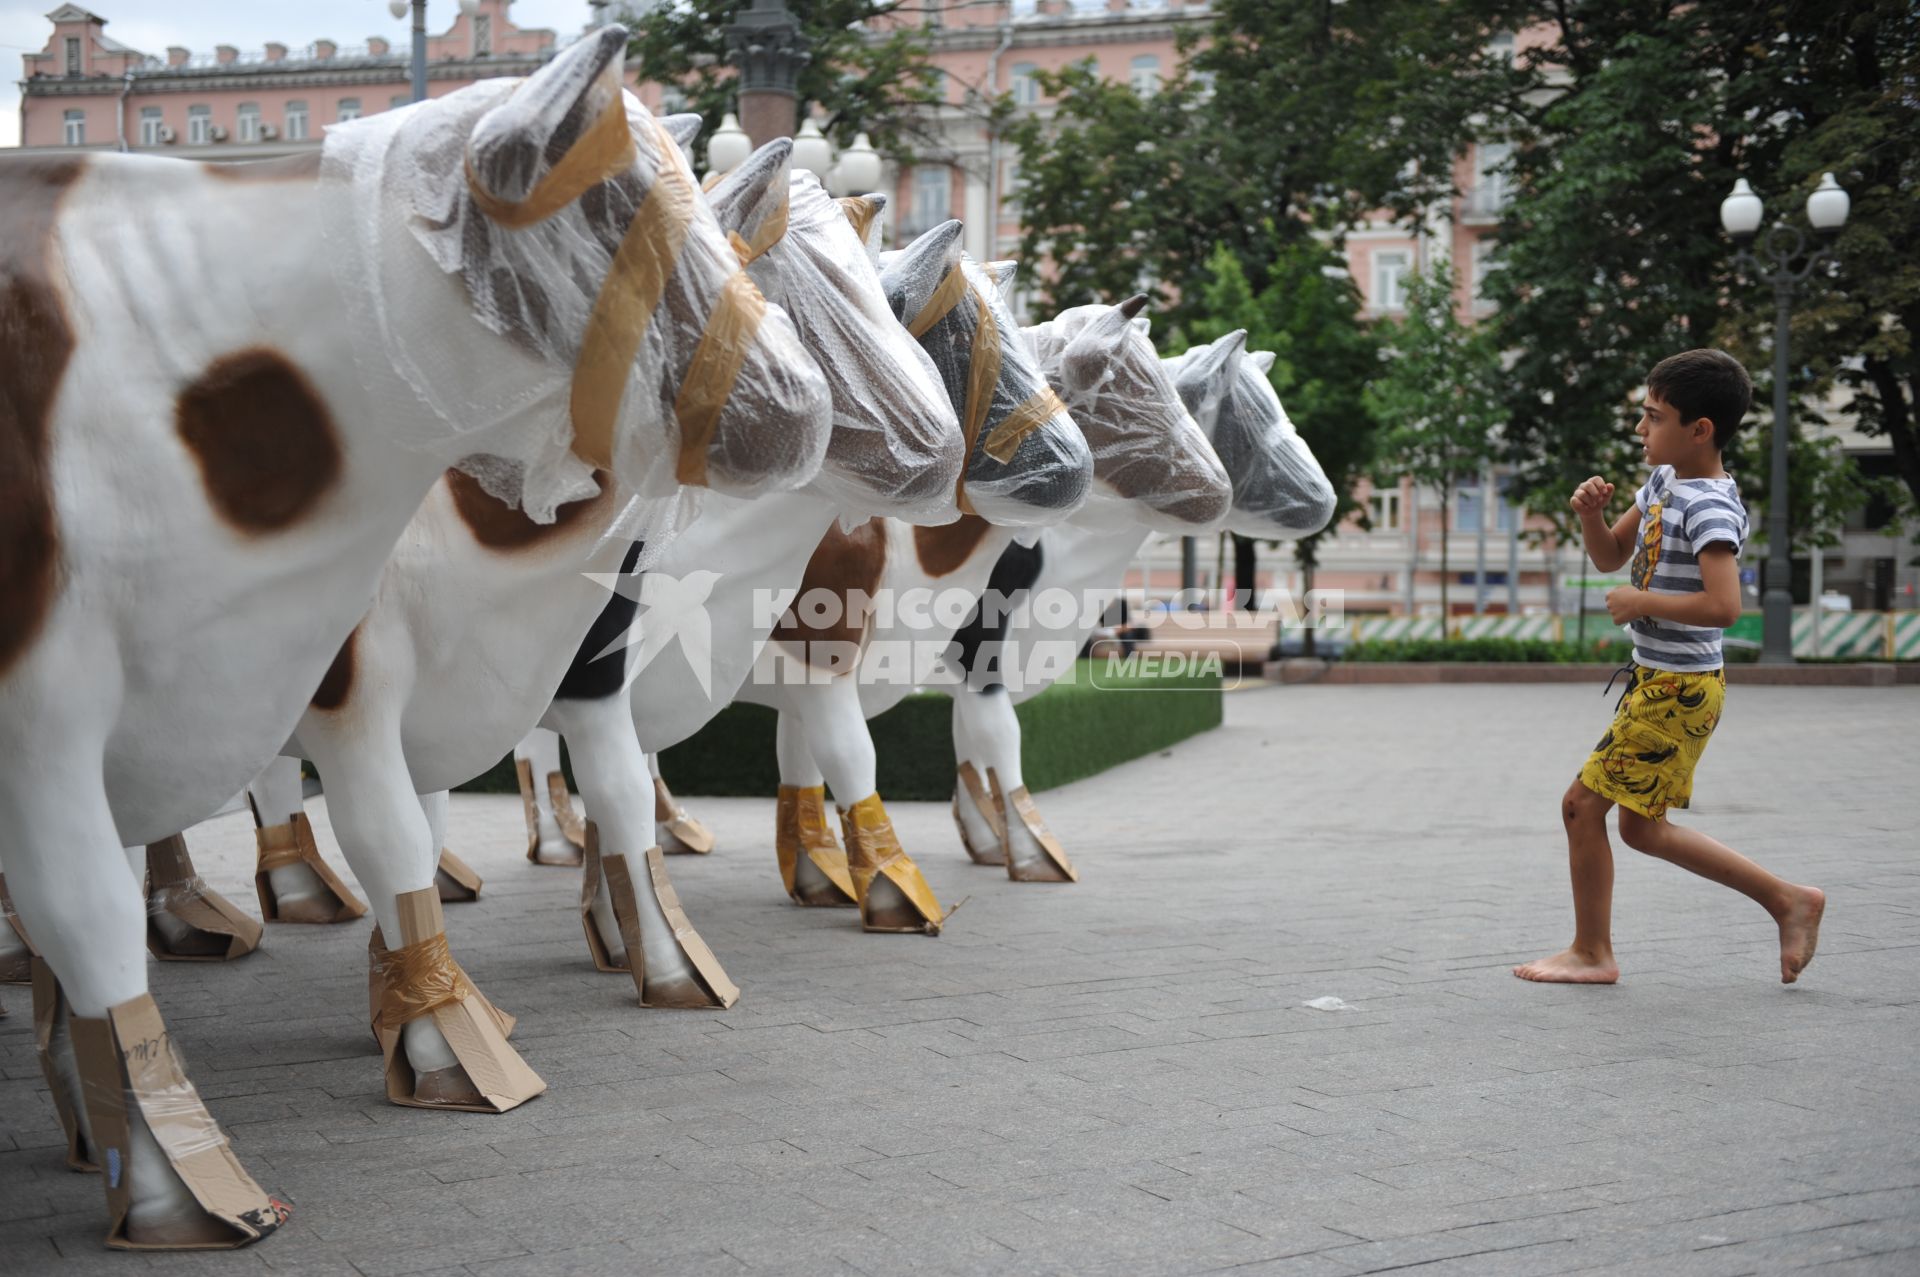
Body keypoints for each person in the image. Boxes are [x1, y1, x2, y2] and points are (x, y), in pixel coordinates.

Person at [1514, 349, 1825, 986]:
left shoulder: (1709, 505)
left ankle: (1593, 954)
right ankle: (1787, 900)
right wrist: (1590, 517)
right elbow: (1609, 558)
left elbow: (1725, 606)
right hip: (1656, 684)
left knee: (1580, 807)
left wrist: (1642, 602)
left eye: (1653, 417)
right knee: (1641, 831)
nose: (1640, 429)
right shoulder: (1663, 483)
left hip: (1679, 691)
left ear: (1699, 429)